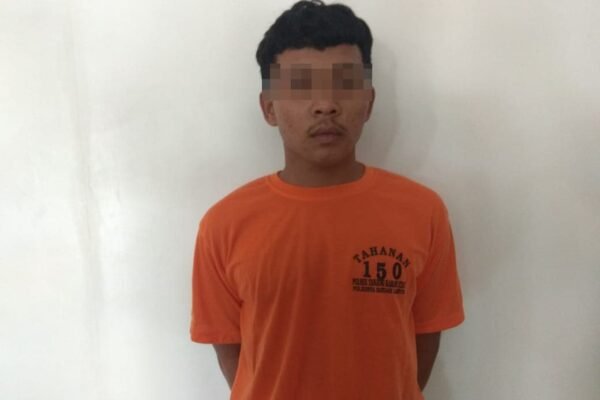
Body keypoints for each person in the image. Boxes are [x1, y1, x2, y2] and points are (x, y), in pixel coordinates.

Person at [190, 1, 465, 399]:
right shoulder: (223, 225)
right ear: (269, 108)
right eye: (301, 85)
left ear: (369, 102)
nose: (325, 105)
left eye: (344, 83)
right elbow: (231, 350)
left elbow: (424, 336)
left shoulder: (423, 212)